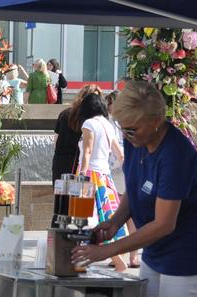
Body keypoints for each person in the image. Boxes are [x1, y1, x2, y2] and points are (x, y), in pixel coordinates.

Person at [72, 81, 197, 297]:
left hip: (185, 252)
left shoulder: (176, 153)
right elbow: (135, 191)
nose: (128, 135)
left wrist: (108, 251)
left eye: (133, 129)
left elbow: (164, 224)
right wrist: (115, 221)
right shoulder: (136, 142)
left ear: (155, 121)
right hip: (156, 250)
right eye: (123, 129)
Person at [76, 93, 128, 272]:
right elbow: (119, 153)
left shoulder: (88, 124)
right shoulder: (108, 124)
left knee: (83, 219)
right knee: (104, 218)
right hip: (105, 177)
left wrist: (81, 175)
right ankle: (117, 260)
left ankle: (82, 261)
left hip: (89, 175)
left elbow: (87, 151)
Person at [51, 84, 102, 226]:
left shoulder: (65, 113)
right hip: (79, 163)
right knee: (79, 204)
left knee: (61, 202)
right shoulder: (91, 121)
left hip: (60, 162)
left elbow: (55, 141)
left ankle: (57, 235)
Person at [106, 90, 140, 268]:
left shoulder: (115, 123)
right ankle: (127, 256)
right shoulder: (130, 122)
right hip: (125, 170)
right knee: (126, 215)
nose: (109, 107)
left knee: (121, 214)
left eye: (110, 103)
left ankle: (126, 255)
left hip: (120, 170)